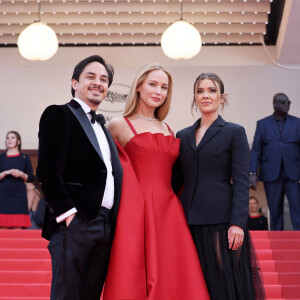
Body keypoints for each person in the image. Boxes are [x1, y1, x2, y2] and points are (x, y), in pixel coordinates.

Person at [103, 63, 210, 300]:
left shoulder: (170, 129)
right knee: (134, 272)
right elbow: (103, 172)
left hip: (168, 209)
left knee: (174, 272)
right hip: (134, 209)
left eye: (164, 87)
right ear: (139, 86)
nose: (158, 91)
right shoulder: (118, 124)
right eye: (153, 84)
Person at [36, 55, 123, 300]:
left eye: (104, 79)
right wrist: (68, 216)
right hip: (75, 223)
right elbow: (47, 172)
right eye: (91, 77)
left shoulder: (103, 129)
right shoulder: (58, 114)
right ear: (75, 82)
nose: (98, 83)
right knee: (67, 294)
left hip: (105, 225)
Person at [172, 73, 265, 300]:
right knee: (198, 282)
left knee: (224, 281)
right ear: (194, 97)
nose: (206, 95)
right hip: (189, 220)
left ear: (222, 97)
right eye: (200, 91)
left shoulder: (234, 132)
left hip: (222, 222)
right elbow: (175, 181)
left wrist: (237, 223)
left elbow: (242, 181)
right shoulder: (182, 135)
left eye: (211, 90)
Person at [250, 93, 300, 231]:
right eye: (283, 102)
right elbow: (256, 150)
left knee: (297, 209)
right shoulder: (263, 124)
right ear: (275, 104)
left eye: (288, 102)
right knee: (275, 211)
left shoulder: (298, 123)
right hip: (271, 174)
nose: (287, 104)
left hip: (294, 174)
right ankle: (278, 241)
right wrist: (252, 172)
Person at [0, 131, 33, 229]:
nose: (9, 140)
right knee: (2, 230)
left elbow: (30, 177)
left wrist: (21, 174)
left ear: (18, 142)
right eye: (7, 138)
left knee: (18, 229)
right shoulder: (1, 157)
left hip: (19, 196)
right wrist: (5, 173)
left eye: (12, 137)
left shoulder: (24, 158)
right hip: (3, 196)